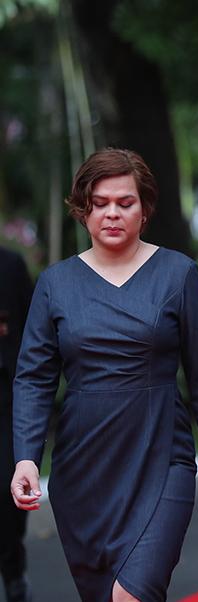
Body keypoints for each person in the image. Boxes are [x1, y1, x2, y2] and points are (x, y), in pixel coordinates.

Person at [10, 149, 198, 602]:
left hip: (162, 457)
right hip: (83, 470)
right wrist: (26, 458)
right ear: (83, 209)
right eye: (99, 203)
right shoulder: (55, 283)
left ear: (144, 208)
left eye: (125, 202)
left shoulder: (178, 274)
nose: (111, 213)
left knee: (132, 594)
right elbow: (34, 378)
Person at [0, 244, 32, 602]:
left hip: (7, 396)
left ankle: (13, 571)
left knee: (7, 487)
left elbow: (32, 332)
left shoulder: (10, 264)